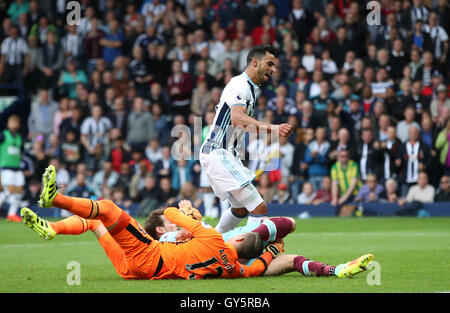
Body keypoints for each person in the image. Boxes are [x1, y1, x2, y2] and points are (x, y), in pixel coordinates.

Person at [22, 172, 373, 280]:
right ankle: (53, 228)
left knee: (110, 209)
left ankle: (54, 200)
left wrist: (185, 212)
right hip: (135, 269)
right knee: (95, 221)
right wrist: (334, 268)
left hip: (147, 257)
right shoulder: (235, 270)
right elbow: (285, 259)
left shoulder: (206, 237)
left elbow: (177, 211)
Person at [200, 45, 293, 234]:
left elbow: (241, 124)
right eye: (270, 64)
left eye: (275, 66)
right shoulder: (239, 85)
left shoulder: (250, 90)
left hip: (224, 154)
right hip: (218, 151)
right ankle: (246, 255)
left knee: (240, 209)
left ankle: (213, 243)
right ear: (255, 62)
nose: (274, 70)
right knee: (258, 208)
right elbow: (237, 118)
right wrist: (273, 127)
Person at [0, 115, 24, 222]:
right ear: (8, 124)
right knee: (9, 191)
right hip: (6, 167)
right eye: (12, 122)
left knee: (19, 191)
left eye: (16, 123)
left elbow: (19, 152)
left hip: (17, 168)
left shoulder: (19, 137)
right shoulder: (3, 135)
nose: (14, 124)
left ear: (18, 125)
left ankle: (11, 214)